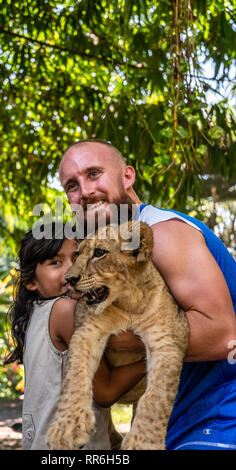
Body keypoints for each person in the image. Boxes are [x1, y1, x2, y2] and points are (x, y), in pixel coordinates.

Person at [58, 139, 236, 450]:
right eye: (72, 185)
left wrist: (105, 334)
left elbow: (222, 335)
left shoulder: (163, 232)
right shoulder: (109, 252)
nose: (85, 192)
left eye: (94, 173)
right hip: (179, 421)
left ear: (127, 176)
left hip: (219, 420)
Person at [5, 222, 146, 450]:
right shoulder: (66, 311)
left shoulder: (38, 315)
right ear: (31, 281)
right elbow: (105, 392)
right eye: (55, 263)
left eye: (79, 257)